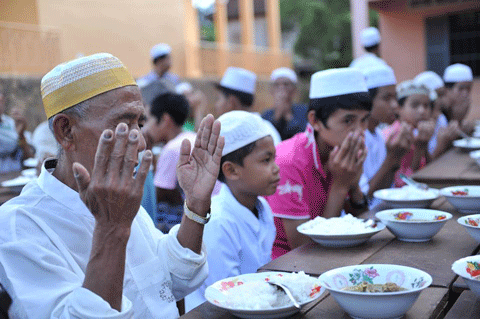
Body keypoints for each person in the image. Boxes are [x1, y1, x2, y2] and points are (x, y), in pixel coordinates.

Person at [0, 53, 224, 318]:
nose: (140, 143)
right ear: (66, 131)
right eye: (123, 124)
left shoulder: (118, 196)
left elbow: (173, 279)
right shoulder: (19, 224)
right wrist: (111, 229)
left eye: (139, 124)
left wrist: (195, 205)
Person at [266, 68, 371, 259]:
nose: (359, 131)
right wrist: (340, 185)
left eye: (364, 120)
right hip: (286, 267)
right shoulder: (288, 162)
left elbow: (360, 226)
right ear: (315, 120)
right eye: (348, 121)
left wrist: (353, 187)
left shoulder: (340, 152)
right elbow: (307, 250)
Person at [184, 111, 278, 311]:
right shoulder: (219, 222)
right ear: (231, 170)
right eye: (266, 160)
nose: (276, 168)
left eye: (274, 158)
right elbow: (226, 297)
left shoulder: (263, 209)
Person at [360, 65, 412, 208]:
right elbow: (365, 198)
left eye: (395, 97)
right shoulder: (358, 138)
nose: (395, 105)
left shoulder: (378, 134)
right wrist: (391, 158)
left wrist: (396, 158)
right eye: (386, 98)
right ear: (367, 101)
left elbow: (385, 189)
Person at [143, 92, 196, 231]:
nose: (145, 127)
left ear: (165, 120)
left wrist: (145, 150)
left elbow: (158, 194)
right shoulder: (190, 137)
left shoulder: (173, 149)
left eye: (149, 120)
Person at [383, 80, 435, 187]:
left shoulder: (416, 132)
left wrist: (423, 146)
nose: (422, 111)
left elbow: (429, 170)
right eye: (415, 105)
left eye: (426, 106)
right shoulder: (393, 135)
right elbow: (402, 183)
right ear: (399, 109)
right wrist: (419, 148)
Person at [214, 67, 282, 145]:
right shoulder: (268, 128)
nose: (216, 105)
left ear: (231, 102)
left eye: (218, 99)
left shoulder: (227, 131)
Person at [414, 71, 459, 159]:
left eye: (443, 95)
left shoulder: (441, 118)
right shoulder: (416, 125)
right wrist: (440, 145)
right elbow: (423, 167)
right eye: (438, 95)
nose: (441, 101)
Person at [261, 67, 308, 140]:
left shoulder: (304, 111)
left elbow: (305, 135)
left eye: (286, 84)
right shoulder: (266, 114)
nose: (281, 88)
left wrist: (288, 115)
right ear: (271, 90)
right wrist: (278, 114)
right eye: (277, 85)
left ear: (294, 89)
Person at [0, 91, 34, 174]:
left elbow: (29, 156)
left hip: (15, 176)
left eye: (1, 101)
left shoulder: (11, 123)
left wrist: (21, 135)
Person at [443, 63, 474, 133]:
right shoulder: (439, 114)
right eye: (461, 89)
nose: (465, 94)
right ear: (447, 90)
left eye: (468, 89)